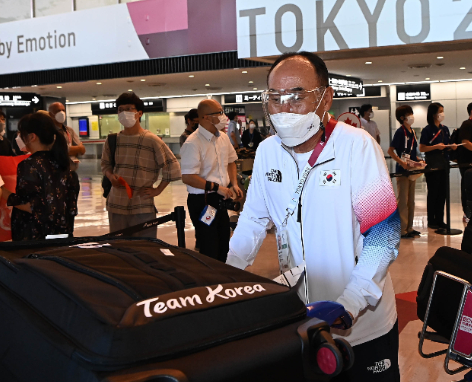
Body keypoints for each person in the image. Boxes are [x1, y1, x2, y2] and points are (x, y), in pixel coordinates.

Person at [227, 51, 401, 382]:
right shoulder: (267, 153)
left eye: (296, 96)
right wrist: (229, 278)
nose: (284, 108)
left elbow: (383, 235)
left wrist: (350, 302)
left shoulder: (357, 147)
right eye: (275, 98)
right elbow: (251, 222)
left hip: (362, 325)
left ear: (325, 98)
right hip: (303, 323)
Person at [101, 92, 181, 237]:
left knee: (145, 248)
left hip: (142, 205)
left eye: (129, 109)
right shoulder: (112, 140)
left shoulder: (152, 140)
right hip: (116, 204)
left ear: (139, 113)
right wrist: (111, 176)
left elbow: (172, 167)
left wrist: (158, 190)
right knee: (119, 248)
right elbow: (105, 164)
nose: (124, 113)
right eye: (120, 110)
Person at [181, 99, 243, 262]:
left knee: (224, 243)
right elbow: (187, 177)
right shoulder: (192, 143)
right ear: (206, 118)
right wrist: (216, 187)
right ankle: (211, 283)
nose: (223, 117)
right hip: (203, 200)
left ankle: (223, 281)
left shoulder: (222, 138)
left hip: (220, 198)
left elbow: (231, 161)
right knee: (209, 247)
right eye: (219, 113)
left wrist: (234, 184)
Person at [3, 113, 79, 241]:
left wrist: (4, 193)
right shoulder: (63, 163)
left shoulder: (29, 165)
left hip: (35, 236)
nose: (19, 137)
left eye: (21, 133)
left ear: (32, 137)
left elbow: (30, 205)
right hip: (62, 233)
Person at [419, 103, 457, 229]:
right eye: (440, 111)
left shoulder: (445, 129)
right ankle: (432, 220)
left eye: (443, 110)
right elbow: (422, 148)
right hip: (433, 163)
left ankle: (440, 219)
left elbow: (448, 143)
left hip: (444, 162)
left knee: (443, 193)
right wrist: (436, 147)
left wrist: (451, 147)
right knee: (433, 192)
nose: (442, 114)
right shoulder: (427, 130)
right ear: (433, 114)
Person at [388, 105, 422, 239]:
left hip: (412, 169)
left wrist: (417, 160)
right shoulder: (400, 132)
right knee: (403, 200)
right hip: (402, 170)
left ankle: (410, 227)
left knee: (411, 200)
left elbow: (412, 151)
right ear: (402, 118)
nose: (411, 117)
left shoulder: (412, 132)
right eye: (409, 114)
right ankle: (402, 229)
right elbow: (390, 150)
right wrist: (401, 162)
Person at [48, 102, 85, 171]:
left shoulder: (69, 130)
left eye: (63, 110)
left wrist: (68, 150)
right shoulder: (49, 131)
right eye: (58, 111)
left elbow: (82, 150)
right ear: (51, 114)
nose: (61, 113)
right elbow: (56, 151)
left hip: (72, 172)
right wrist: (76, 149)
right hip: (56, 173)